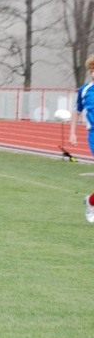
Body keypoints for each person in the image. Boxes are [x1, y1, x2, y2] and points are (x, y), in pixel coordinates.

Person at [69, 55, 94, 223]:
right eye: (92, 71)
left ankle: (90, 201)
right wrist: (72, 132)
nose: (93, 74)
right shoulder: (84, 90)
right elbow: (77, 111)